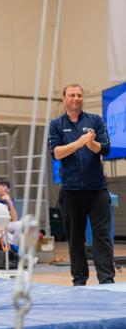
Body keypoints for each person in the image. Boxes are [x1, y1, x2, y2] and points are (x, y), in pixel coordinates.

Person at [48, 83, 115, 286]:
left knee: (102, 237)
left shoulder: (95, 120)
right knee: (75, 239)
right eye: (72, 95)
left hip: (97, 191)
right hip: (71, 192)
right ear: (64, 98)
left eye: (79, 95)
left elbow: (105, 149)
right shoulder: (56, 124)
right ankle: (79, 280)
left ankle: (107, 280)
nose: (76, 98)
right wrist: (79, 142)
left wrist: (91, 143)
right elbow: (56, 152)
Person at [0, 177, 21, 250]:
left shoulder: (9, 200)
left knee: (20, 225)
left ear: (8, 190)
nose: (1, 188)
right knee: (6, 236)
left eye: (3, 186)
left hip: (6, 225)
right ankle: (18, 252)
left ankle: (16, 250)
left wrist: (10, 202)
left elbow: (15, 220)